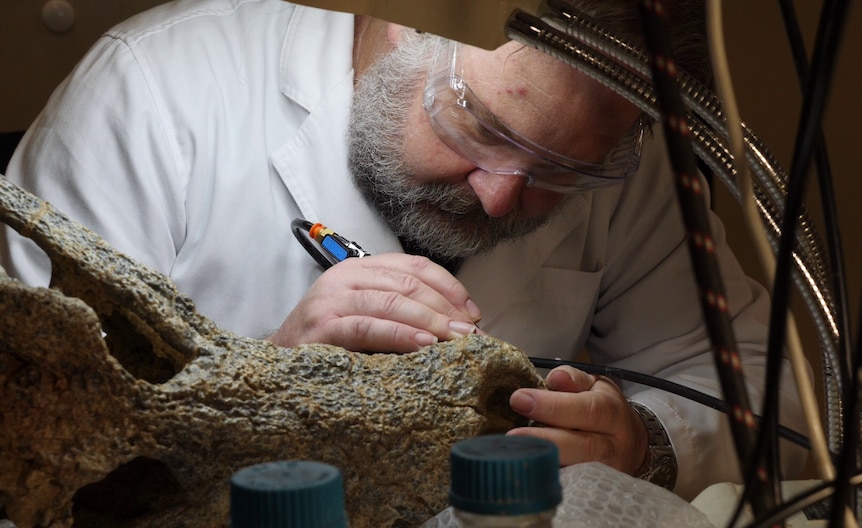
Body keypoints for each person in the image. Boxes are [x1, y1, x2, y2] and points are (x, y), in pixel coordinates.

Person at [0, 0, 806, 501]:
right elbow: (28, 434)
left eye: (558, 171)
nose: (500, 197)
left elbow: (791, 409)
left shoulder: (615, 160)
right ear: (396, 18)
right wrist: (258, 385)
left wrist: (645, 443)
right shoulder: (155, 93)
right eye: (482, 130)